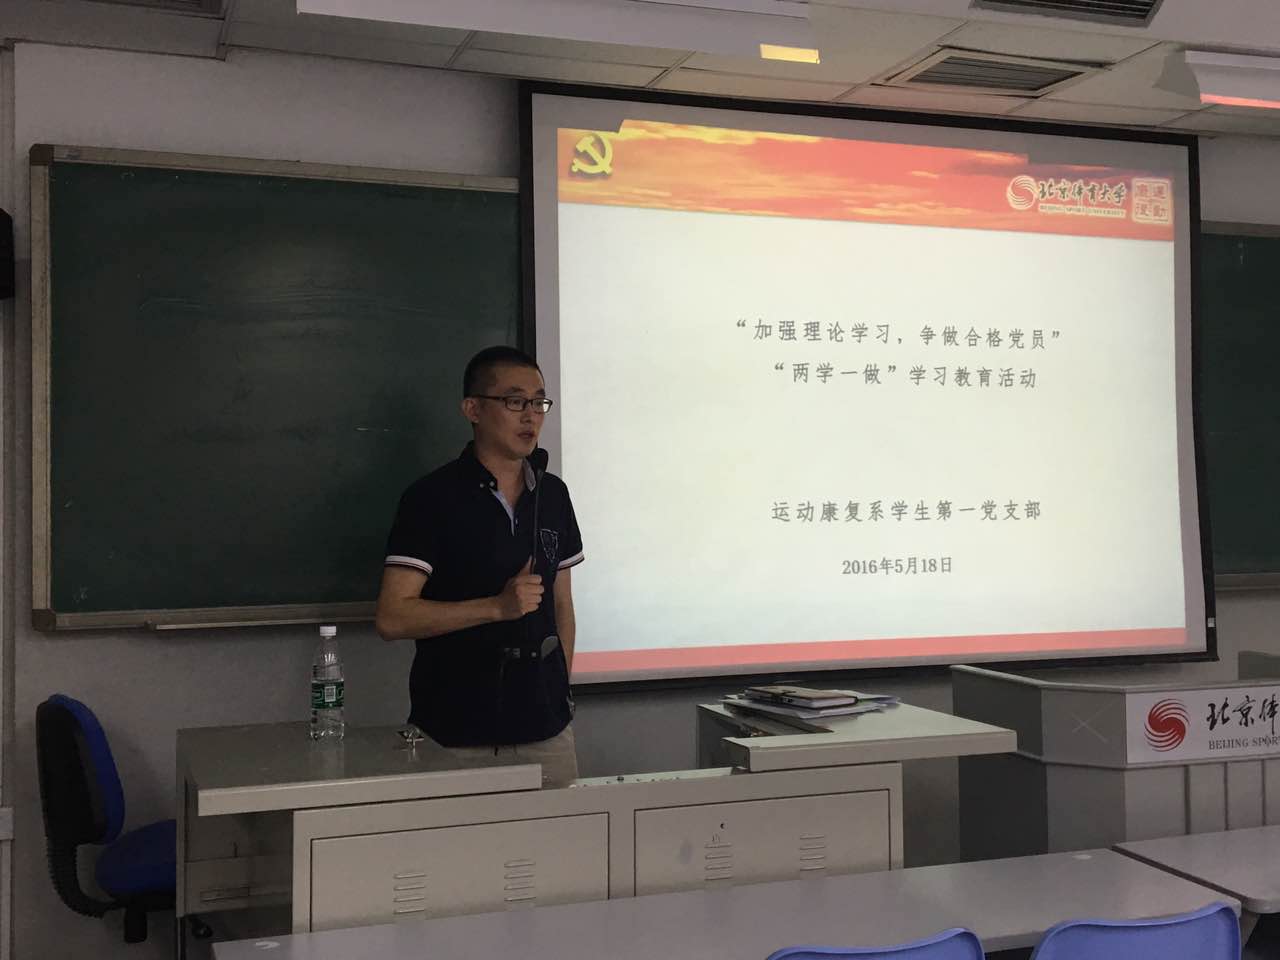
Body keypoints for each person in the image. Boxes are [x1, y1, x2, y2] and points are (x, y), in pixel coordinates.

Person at [375, 346, 583, 787]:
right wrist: (496, 607)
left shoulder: (554, 496)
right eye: (514, 401)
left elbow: (561, 604)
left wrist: (559, 688)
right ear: (473, 409)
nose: (530, 416)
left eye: (539, 402)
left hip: (547, 731)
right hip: (455, 733)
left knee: (560, 833)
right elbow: (393, 617)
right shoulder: (431, 499)